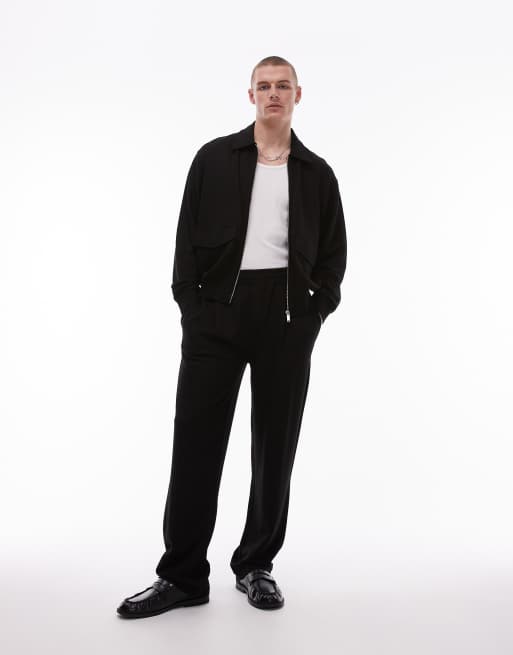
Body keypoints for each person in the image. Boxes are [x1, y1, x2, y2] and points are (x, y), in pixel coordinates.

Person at [117, 55, 347, 618]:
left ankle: (255, 565)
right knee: (195, 446)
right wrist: (191, 308)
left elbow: (334, 256)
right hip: (216, 316)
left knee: (274, 450)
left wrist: (314, 315)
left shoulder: (317, 173)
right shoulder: (214, 158)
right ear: (250, 96)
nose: (273, 94)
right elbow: (185, 239)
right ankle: (182, 576)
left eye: (283, 86)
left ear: (298, 95)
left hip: (286, 319)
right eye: (264, 86)